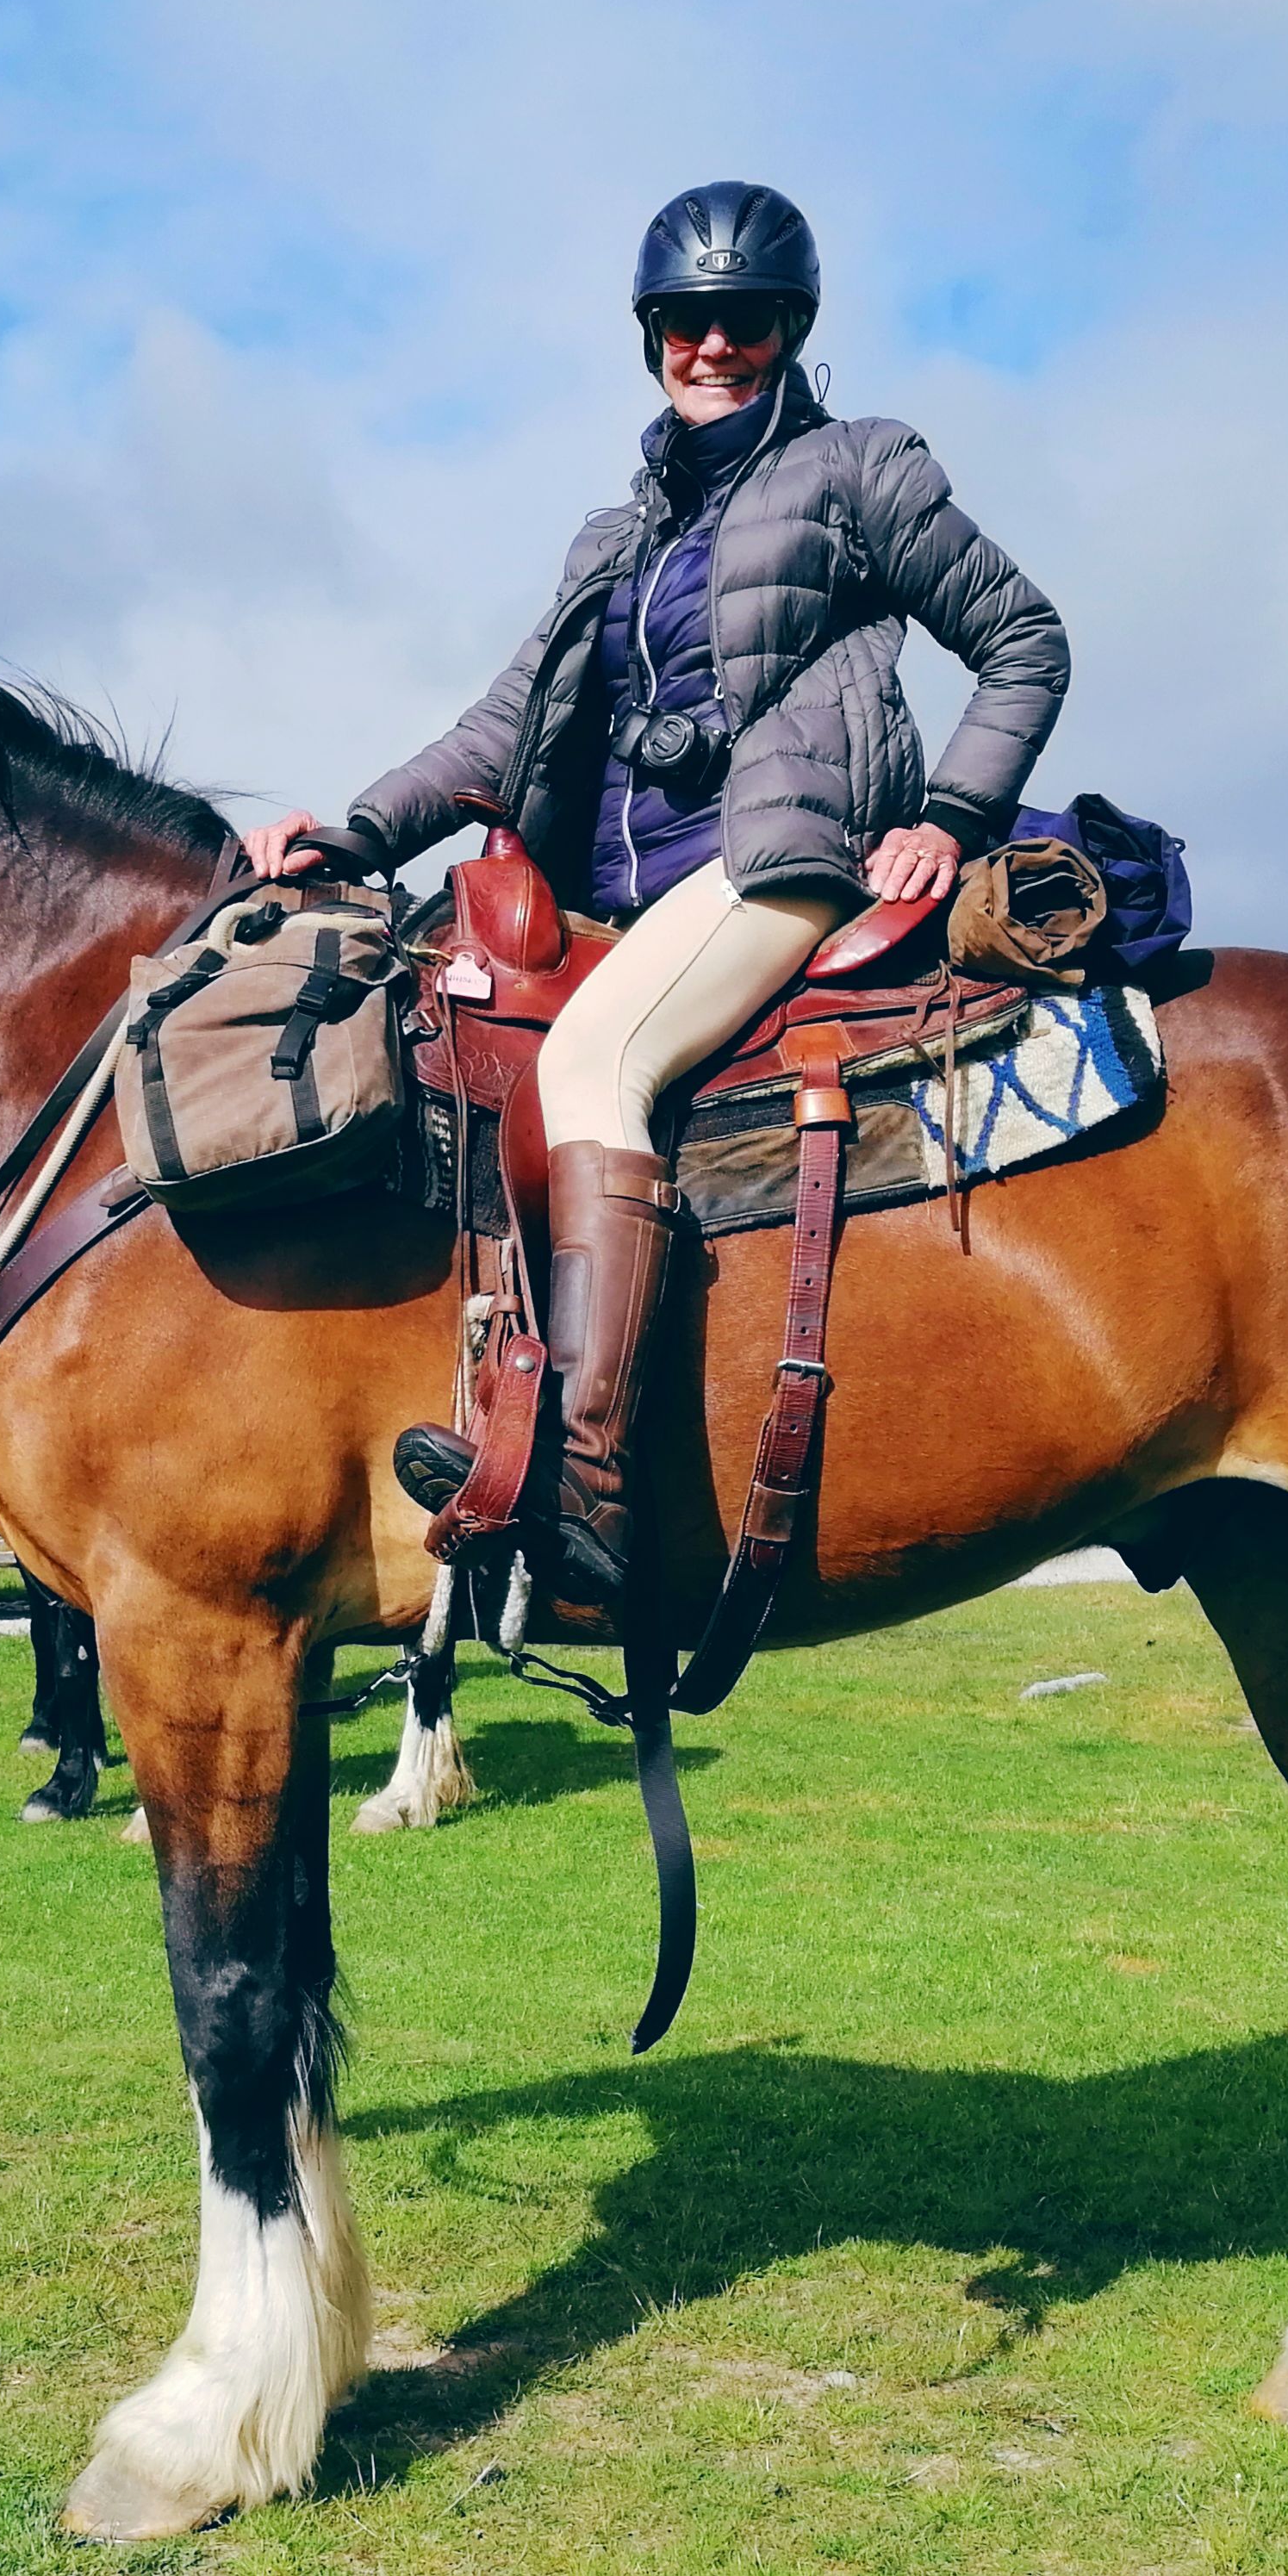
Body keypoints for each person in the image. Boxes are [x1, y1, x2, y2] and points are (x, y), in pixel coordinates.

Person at [242, 179, 1069, 1598]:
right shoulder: (610, 538)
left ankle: (590, 1484)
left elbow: (1024, 640)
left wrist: (949, 814)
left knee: (596, 1064)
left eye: (742, 320)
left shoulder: (863, 466)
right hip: (609, 901)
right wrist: (361, 834)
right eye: (686, 321)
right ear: (652, 335)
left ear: (788, 328)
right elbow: (499, 729)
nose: (713, 346)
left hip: (772, 866)